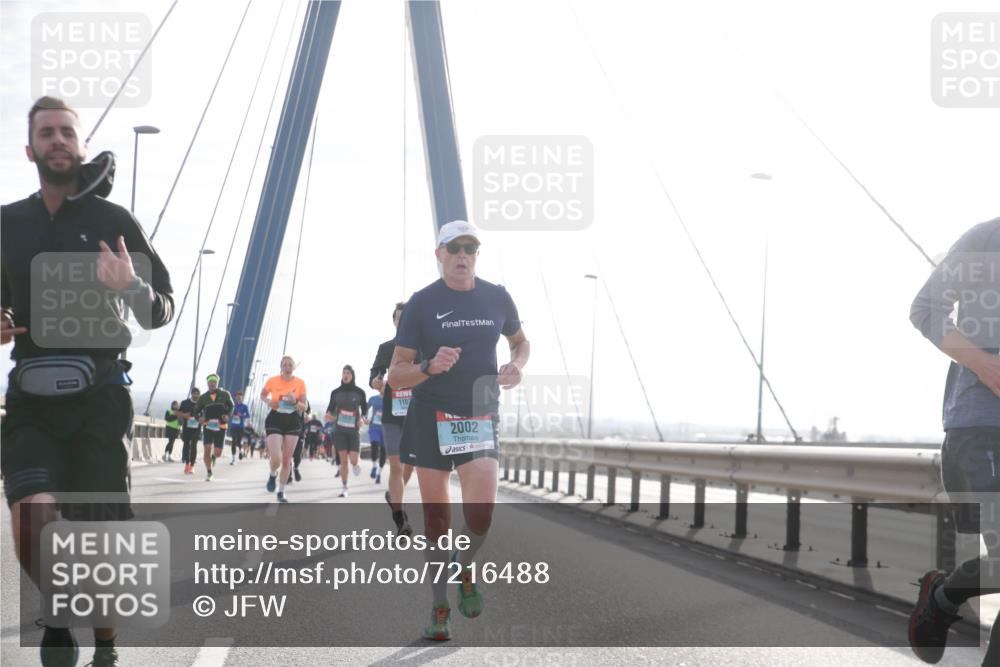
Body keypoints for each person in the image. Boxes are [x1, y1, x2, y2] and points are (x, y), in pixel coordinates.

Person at [1, 96, 174, 667]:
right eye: (46, 133)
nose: (56, 141)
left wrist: (131, 286)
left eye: (65, 133)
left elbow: (159, 310)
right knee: (31, 511)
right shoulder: (7, 223)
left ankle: (106, 642)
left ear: (78, 145)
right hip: (29, 396)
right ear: (30, 149)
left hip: (101, 396)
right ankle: (55, 607)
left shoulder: (114, 222)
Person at [388, 220, 528, 641]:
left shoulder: (497, 297)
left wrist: (515, 367)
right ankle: (439, 607)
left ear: (476, 255)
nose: (463, 254)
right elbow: (396, 375)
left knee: (481, 514)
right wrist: (429, 366)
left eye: (470, 247)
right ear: (440, 255)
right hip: (431, 417)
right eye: (455, 248)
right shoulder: (422, 303)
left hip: (479, 415)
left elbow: (521, 342)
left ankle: (464, 564)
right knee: (436, 520)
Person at [908, 217, 1000, 665]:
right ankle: (943, 597)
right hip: (982, 426)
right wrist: (985, 365)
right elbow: (926, 308)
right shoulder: (986, 239)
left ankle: (943, 597)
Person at [370, 301, 415, 536]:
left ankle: (394, 495)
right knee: (396, 465)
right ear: (394, 321)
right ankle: (401, 519)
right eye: (399, 317)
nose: (403, 320)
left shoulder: (425, 346)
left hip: (418, 414)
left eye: (407, 317)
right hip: (392, 413)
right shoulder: (386, 348)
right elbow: (374, 374)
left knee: (410, 465)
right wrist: (376, 381)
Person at [260, 356, 308, 503]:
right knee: (276, 458)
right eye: (285, 365)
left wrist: (295, 402)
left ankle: (281, 491)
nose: (287, 367)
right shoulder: (273, 381)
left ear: (294, 367)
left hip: (292, 421)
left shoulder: (300, 383)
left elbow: (304, 406)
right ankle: (273, 474)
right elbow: (262, 395)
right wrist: (268, 401)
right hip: (275, 419)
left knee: (287, 460)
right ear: (281, 367)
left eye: (290, 365)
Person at [326, 365, 367, 498]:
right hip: (340, 430)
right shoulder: (335, 393)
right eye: (344, 373)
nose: (345, 375)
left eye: (348, 373)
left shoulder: (360, 392)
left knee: (353, 460)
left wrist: (363, 419)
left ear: (352, 375)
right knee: (343, 460)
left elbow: (365, 410)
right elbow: (330, 410)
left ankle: (355, 464)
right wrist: (328, 416)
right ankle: (344, 487)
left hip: (354, 430)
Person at [194, 373, 234, 481]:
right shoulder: (203, 398)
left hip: (221, 426)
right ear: (207, 383)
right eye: (211, 382)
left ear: (217, 383)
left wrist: (228, 415)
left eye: (214, 382)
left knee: (218, 453)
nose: (213, 384)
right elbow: (195, 411)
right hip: (208, 426)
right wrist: (199, 419)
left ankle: (213, 457)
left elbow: (231, 406)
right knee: (207, 449)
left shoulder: (225, 394)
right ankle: (209, 473)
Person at [176, 388, 202, 475]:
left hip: (197, 428)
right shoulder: (185, 403)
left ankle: (192, 466)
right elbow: (176, 412)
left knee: (194, 445)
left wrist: (202, 419)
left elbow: (206, 414)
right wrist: (184, 415)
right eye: (194, 394)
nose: (196, 396)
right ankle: (187, 464)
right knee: (186, 445)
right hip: (186, 428)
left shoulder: (201, 404)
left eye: (197, 394)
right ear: (191, 394)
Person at [367, 392, 386, 482]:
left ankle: (379, 473)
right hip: (374, 426)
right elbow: (364, 408)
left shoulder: (392, 398)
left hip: (387, 429)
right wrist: (365, 418)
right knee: (374, 444)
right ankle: (374, 466)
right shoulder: (373, 398)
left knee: (383, 451)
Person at [229, 390, 250, 463]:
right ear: (235, 397)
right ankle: (233, 458)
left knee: (238, 441)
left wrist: (242, 415)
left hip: (240, 426)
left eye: (240, 396)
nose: (238, 397)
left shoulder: (245, 406)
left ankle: (241, 451)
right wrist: (231, 414)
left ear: (242, 397)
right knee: (233, 441)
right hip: (233, 426)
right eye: (237, 396)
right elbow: (229, 413)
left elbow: (248, 415)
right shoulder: (233, 406)